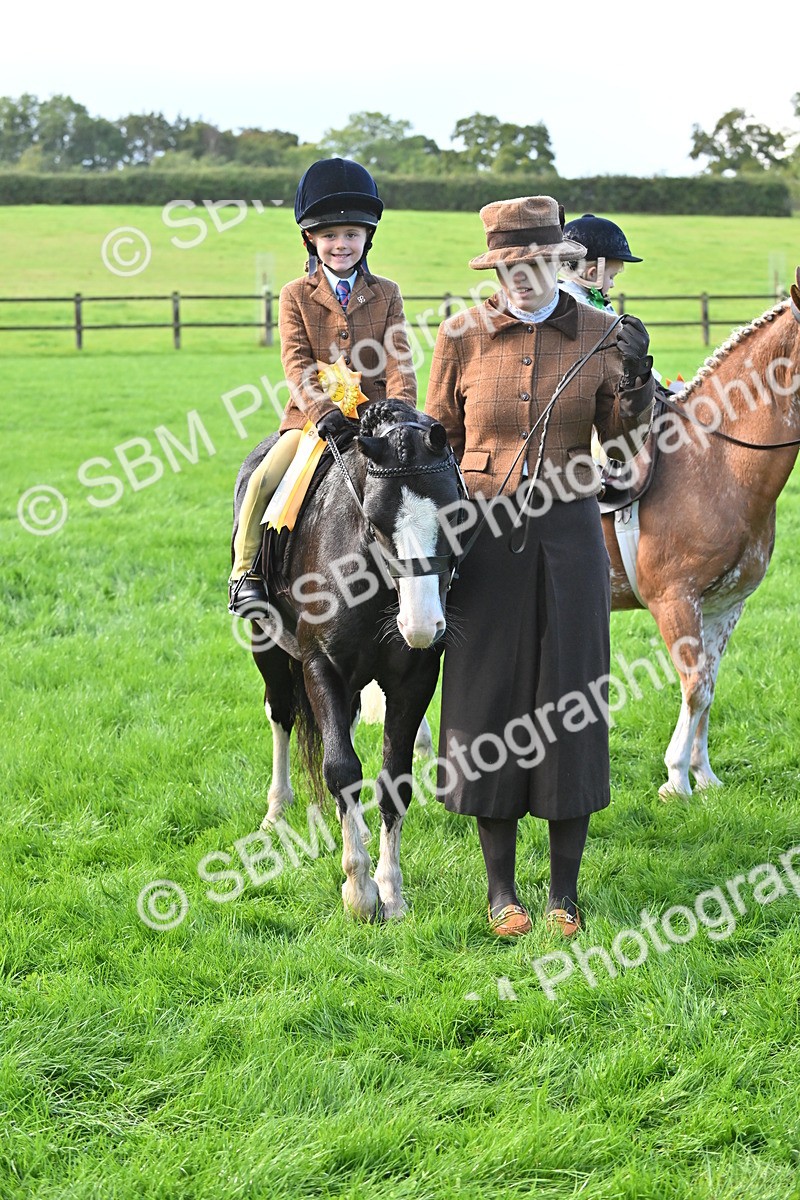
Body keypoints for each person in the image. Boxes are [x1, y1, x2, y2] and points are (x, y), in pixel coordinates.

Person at [424, 195, 655, 938]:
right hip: (484, 542)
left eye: (532, 263)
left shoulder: (600, 332)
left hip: (569, 538)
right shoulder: (460, 335)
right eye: (505, 266)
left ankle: (564, 894)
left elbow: (621, 434)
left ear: (559, 260)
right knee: (487, 701)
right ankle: (500, 893)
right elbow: (439, 440)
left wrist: (638, 378)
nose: (519, 278)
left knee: (570, 699)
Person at [228, 157, 417, 617]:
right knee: (263, 480)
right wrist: (322, 412)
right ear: (311, 238)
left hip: (376, 420)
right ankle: (246, 574)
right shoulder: (295, 294)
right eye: (330, 236)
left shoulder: (387, 292)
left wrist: (399, 409)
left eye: (351, 234)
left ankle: (430, 574)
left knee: (426, 481)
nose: (341, 244)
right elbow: (295, 362)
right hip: (313, 425)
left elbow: (399, 358)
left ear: (367, 238)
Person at [558, 213, 642, 313]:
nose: (612, 284)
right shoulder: (575, 305)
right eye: (611, 277)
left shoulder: (588, 299)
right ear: (592, 273)